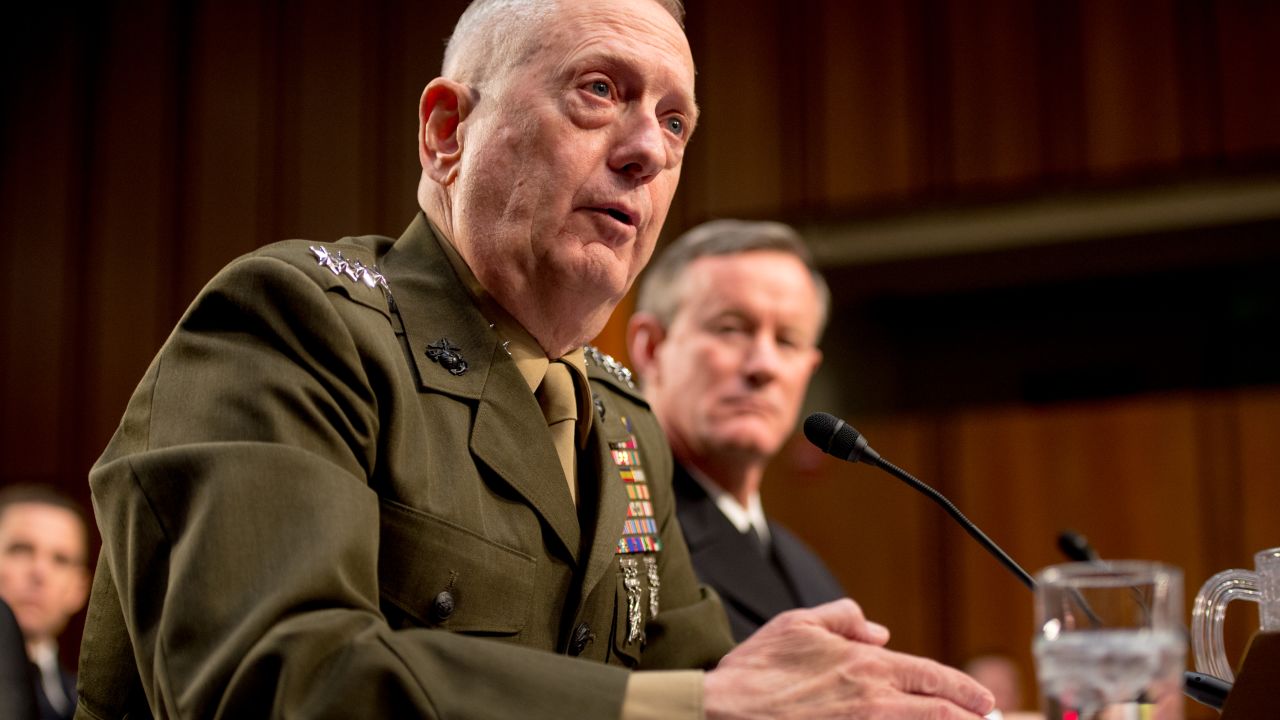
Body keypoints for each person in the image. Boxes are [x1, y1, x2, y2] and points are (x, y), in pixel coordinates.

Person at [76, 1, 995, 718]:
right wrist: (706, 705)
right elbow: (274, 684)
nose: (646, 151)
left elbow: (704, 678)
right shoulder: (297, 323)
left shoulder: (623, 421)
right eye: (599, 90)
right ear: (447, 134)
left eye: (675, 124)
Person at [626, 219, 845, 641]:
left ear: (808, 370)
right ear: (650, 347)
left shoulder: (812, 577)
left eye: (787, 340)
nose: (763, 366)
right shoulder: (613, 527)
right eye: (731, 329)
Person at [0, 485, 91, 720]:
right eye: (20, 550)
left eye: (61, 560)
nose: (39, 572)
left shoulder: (93, 705)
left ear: (79, 589)